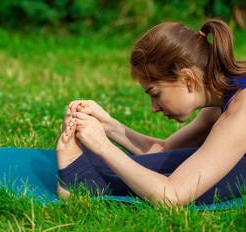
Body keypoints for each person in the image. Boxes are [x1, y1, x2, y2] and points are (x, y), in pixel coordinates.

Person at [56, 19, 246, 206]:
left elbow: (173, 195)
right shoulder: (225, 95)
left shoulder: (241, 111)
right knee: (191, 157)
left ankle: (91, 182)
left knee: (233, 171)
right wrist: (109, 126)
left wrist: (104, 147)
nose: (154, 108)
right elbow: (165, 150)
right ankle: (93, 170)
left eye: (156, 94)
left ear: (188, 79)